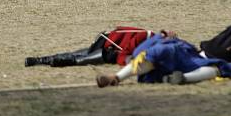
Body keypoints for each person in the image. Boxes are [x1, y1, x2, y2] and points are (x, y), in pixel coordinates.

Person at [95, 33, 231, 87]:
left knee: (217, 69)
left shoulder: (166, 43)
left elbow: (140, 53)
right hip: (177, 59)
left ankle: (181, 78)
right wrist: (162, 36)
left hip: (189, 59)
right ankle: (116, 78)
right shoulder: (163, 42)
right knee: (217, 69)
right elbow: (140, 53)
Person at [25, 26, 157, 68]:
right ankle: (40, 60)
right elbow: (125, 53)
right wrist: (127, 61)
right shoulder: (146, 36)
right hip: (106, 42)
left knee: (78, 55)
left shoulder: (152, 43)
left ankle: (38, 60)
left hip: (108, 43)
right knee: (79, 59)